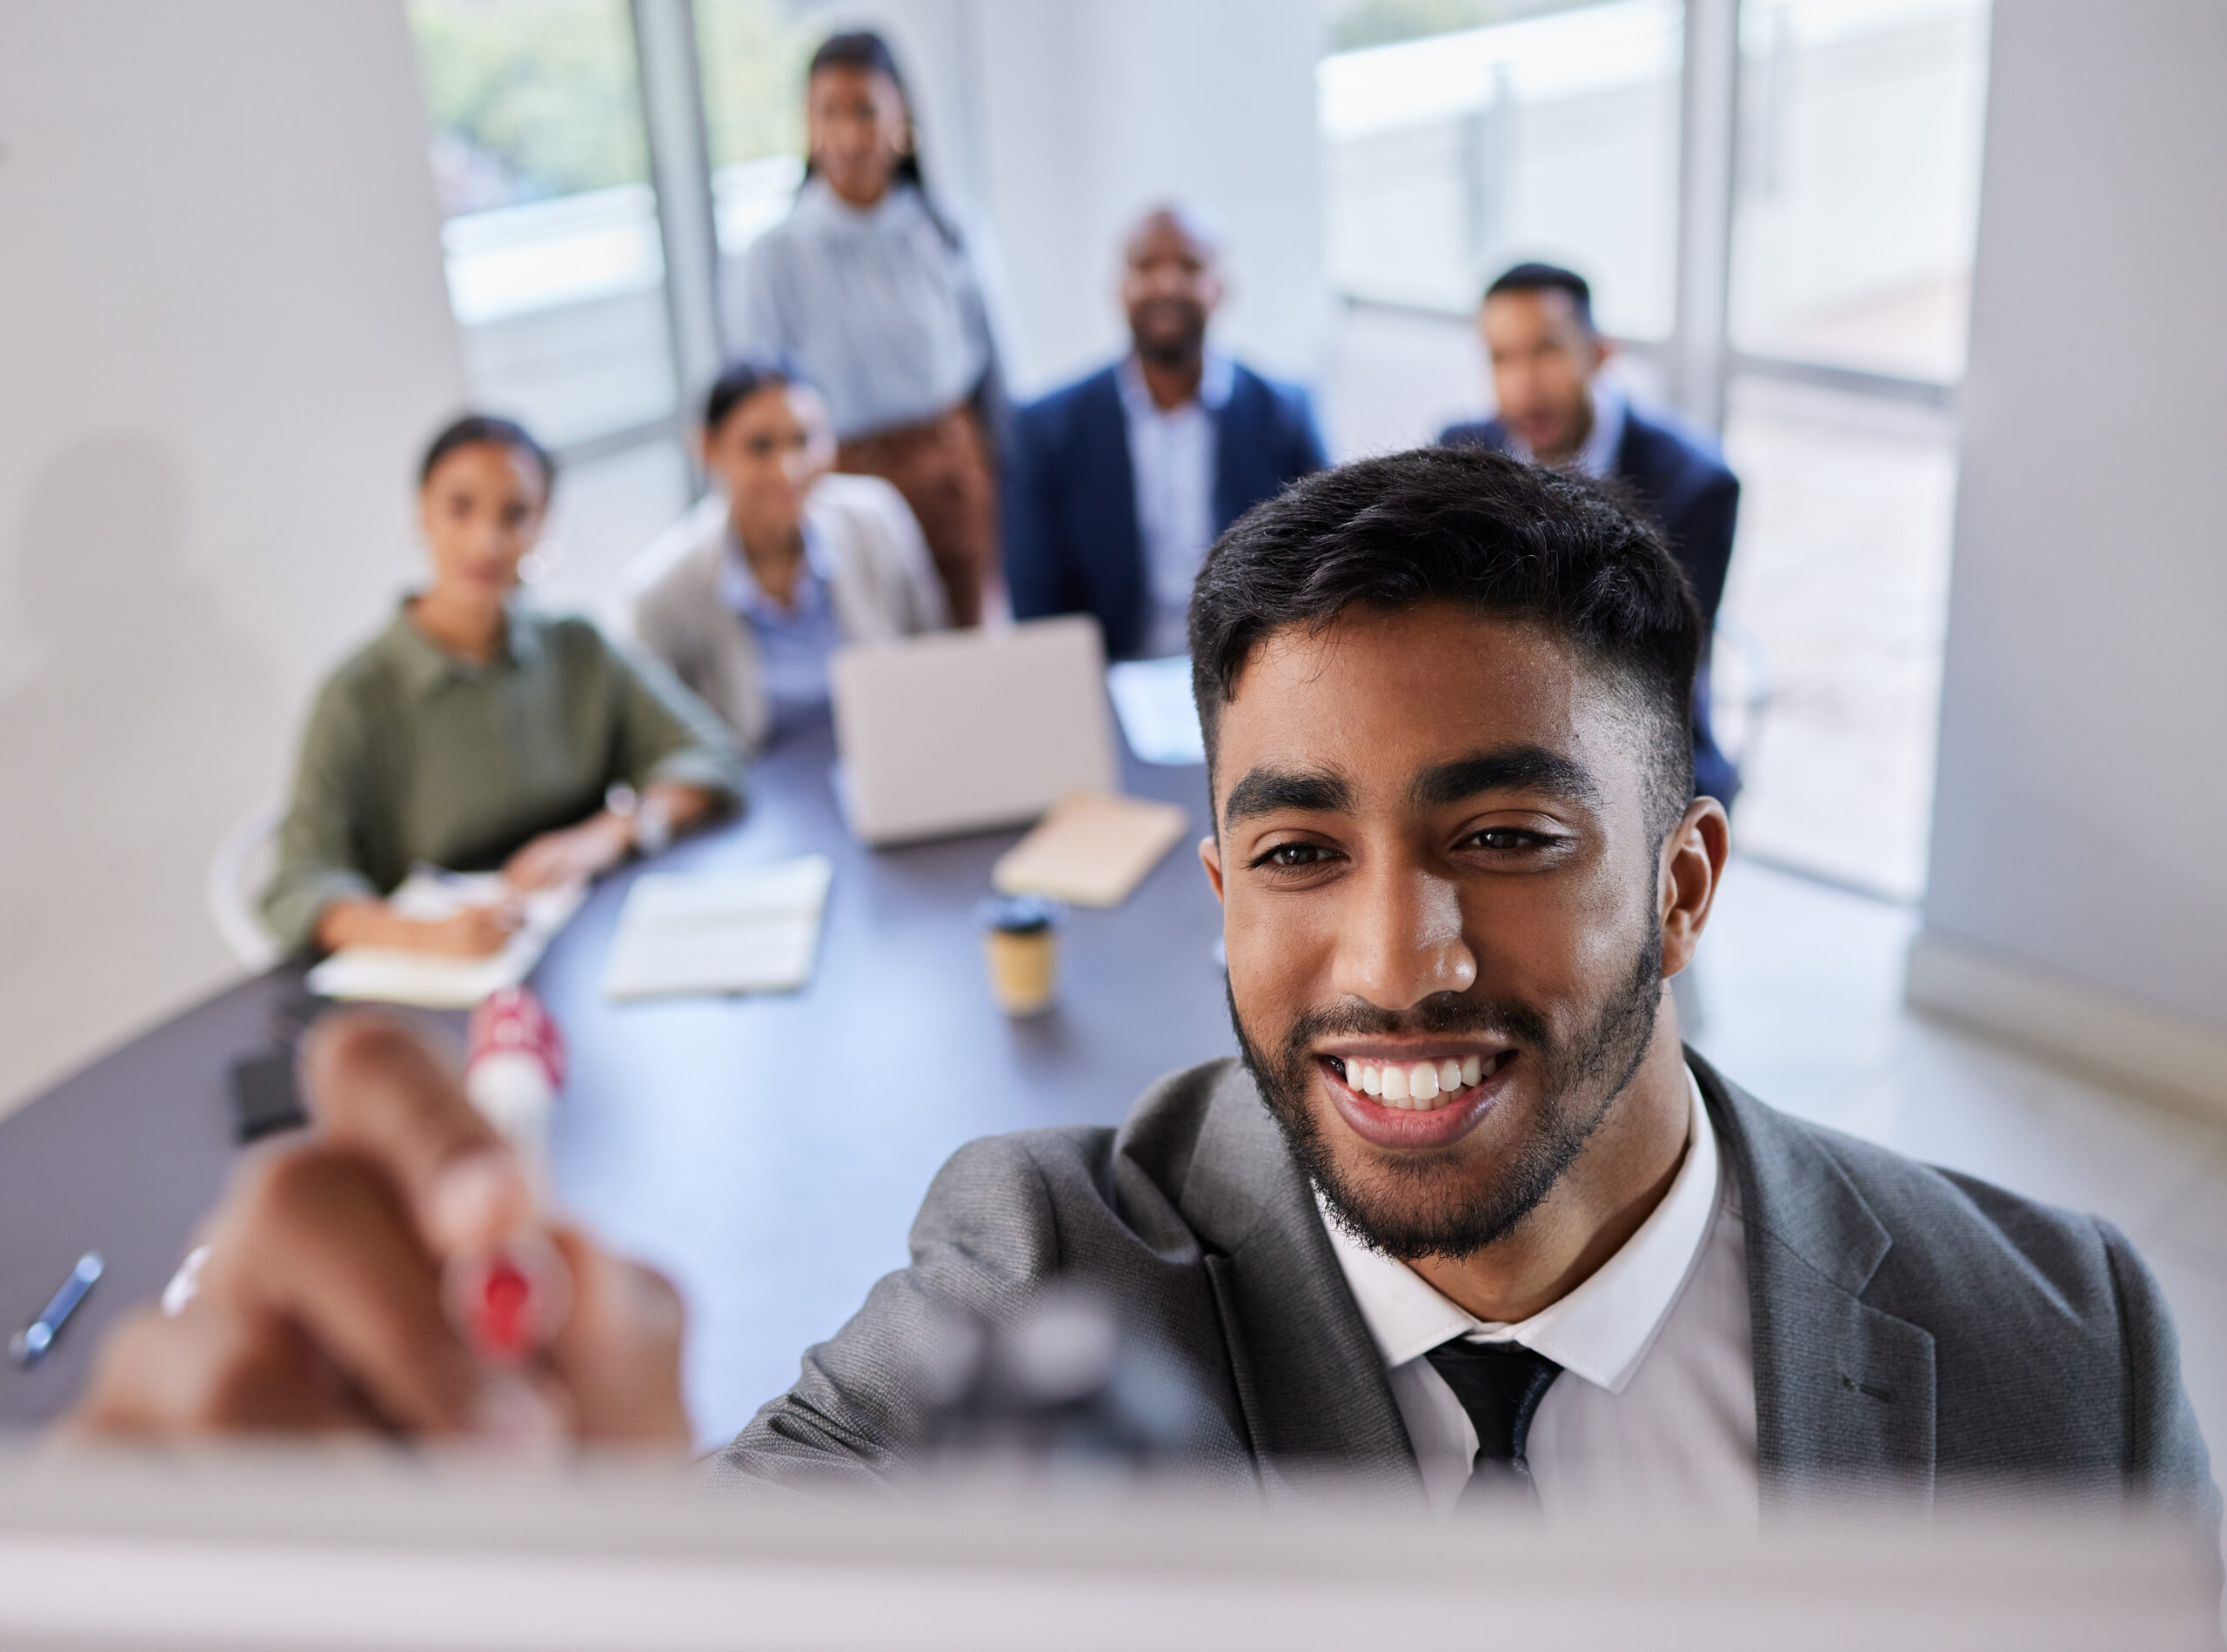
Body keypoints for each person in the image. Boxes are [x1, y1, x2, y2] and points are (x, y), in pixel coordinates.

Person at [84, 448, 2215, 1538]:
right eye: (1297, 852)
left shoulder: (2067, 1346)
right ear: (1210, 887)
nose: (1393, 963)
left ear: (1683, 878)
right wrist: (548, 1559)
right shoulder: (1037, 1265)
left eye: (1504, 833)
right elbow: (748, 1562)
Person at [257, 415, 744, 960]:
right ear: (422, 511)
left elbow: (708, 753)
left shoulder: (577, 649)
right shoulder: (358, 696)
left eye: (515, 514)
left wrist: (606, 835)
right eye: (461, 507)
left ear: (543, 526)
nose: (487, 541)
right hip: (442, 976)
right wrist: (423, 935)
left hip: (582, 947)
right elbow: (297, 885)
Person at [730, 30, 1004, 628]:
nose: (851, 135)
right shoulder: (775, 255)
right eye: (829, 112)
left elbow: (995, 371)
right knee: (876, 667)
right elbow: (762, 404)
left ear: (901, 118)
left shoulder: (947, 229)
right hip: (842, 486)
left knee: (968, 661)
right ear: (807, 124)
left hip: (950, 478)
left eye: (867, 110)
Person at [1443, 263, 1743, 804]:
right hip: (1487, 720)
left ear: (1601, 352)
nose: (1524, 384)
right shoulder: (1461, 447)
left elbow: (1657, 666)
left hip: (1642, 736)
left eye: (1547, 351)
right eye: (1501, 358)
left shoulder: (1694, 483)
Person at [1005, 204, 1329, 661]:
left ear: (1220, 288)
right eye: (1145, 266)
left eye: (1189, 266)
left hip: (1251, 674)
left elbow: (1321, 569)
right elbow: (1035, 603)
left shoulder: (1284, 415)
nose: (1166, 283)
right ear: (1119, 288)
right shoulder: (1047, 428)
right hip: (1109, 677)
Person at [626, 358, 947, 752]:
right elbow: (667, 746)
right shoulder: (663, 591)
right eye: (760, 447)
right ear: (709, 447)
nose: (788, 469)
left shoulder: (875, 520)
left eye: (804, 440)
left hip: (891, 756)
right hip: (755, 790)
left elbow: (936, 661)